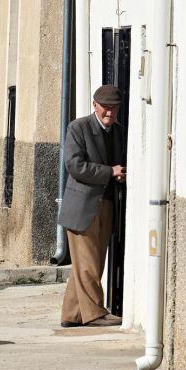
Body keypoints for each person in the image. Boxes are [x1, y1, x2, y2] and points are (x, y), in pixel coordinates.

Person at [59, 84, 126, 327]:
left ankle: (72, 313)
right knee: (87, 264)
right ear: (94, 105)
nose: (110, 113)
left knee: (92, 263)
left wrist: (120, 174)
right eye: (106, 108)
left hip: (107, 204)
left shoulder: (118, 131)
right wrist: (110, 172)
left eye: (115, 109)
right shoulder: (78, 127)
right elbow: (75, 166)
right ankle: (95, 313)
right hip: (82, 206)